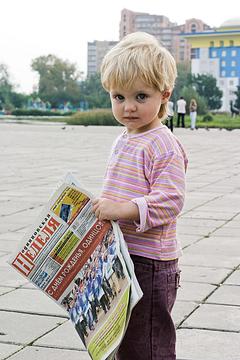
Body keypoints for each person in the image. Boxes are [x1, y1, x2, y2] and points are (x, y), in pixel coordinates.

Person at [92, 32, 188, 360]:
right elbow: (120, 188)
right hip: (121, 254)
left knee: (147, 343)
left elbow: (171, 199)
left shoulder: (162, 143)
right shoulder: (125, 137)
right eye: (118, 96)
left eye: (141, 96)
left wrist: (121, 209)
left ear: (165, 95)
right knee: (124, 339)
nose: (128, 107)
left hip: (149, 263)